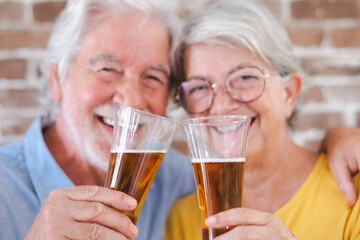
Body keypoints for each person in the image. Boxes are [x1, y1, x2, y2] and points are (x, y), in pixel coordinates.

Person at [0, 1, 196, 239]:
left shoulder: (184, 182)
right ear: (56, 79)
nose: (132, 101)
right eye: (108, 69)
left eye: (153, 77)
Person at [165, 1, 360, 239]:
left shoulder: (352, 193)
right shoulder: (183, 217)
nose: (222, 106)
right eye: (199, 87)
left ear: (289, 94)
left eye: (245, 76)